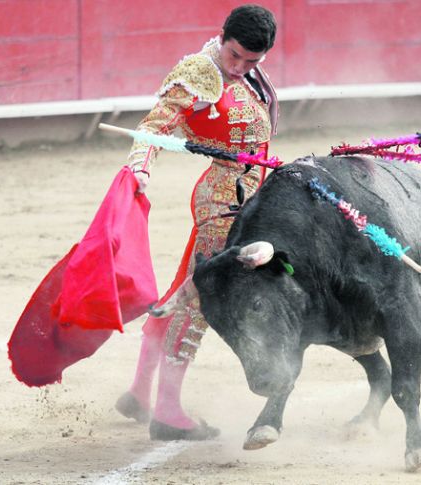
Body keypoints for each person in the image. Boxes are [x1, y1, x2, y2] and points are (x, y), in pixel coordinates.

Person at [114, 4, 279, 441]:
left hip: (249, 197)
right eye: (235, 55)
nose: (240, 67)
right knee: (200, 298)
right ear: (221, 36)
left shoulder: (247, 75)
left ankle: (139, 391)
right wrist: (140, 168)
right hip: (222, 201)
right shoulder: (199, 72)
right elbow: (155, 125)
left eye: (252, 61)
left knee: (181, 290)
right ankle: (168, 411)